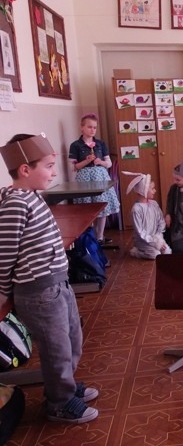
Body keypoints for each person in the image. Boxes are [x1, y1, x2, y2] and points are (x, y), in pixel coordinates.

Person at [0, 133, 99, 424]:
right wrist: (4, 292)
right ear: (25, 169)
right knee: (56, 350)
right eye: (49, 166)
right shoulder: (15, 204)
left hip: (58, 284)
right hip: (39, 293)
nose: (54, 173)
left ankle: (64, 385)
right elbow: (5, 254)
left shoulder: (32, 196)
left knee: (72, 340)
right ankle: (60, 402)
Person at [68, 113, 120, 245]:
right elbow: (73, 167)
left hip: (100, 177)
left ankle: (100, 236)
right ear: (82, 127)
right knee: (87, 208)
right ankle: (89, 236)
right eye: (89, 127)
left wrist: (100, 162)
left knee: (102, 205)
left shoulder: (100, 144)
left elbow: (109, 163)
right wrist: (86, 161)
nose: (92, 130)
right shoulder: (76, 145)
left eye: (95, 127)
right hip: (84, 179)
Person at [123, 171, 171, 259]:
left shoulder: (154, 204)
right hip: (143, 241)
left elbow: (161, 222)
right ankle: (137, 251)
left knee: (167, 252)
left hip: (156, 238)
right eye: (152, 188)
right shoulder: (136, 209)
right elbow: (140, 232)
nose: (155, 191)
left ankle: (153, 247)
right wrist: (154, 242)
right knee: (156, 255)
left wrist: (158, 239)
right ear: (143, 191)